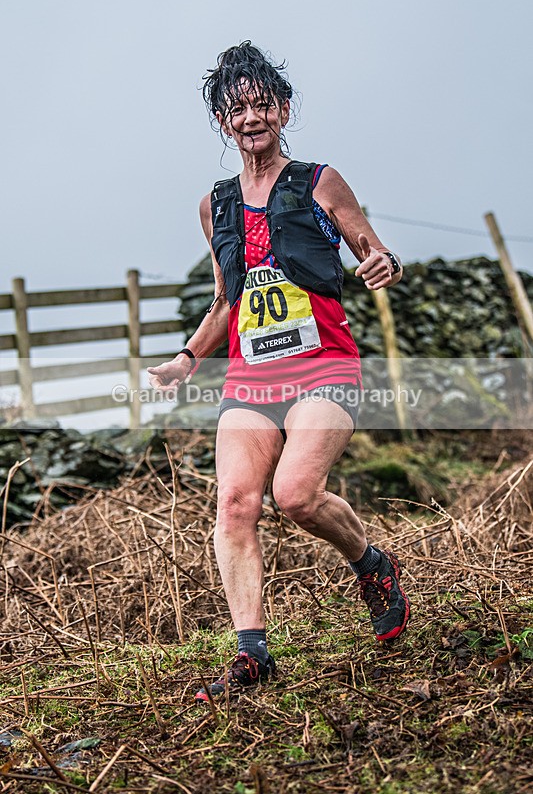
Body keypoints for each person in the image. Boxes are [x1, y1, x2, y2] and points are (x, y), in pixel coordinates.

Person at [148, 41, 410, 702]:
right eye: (235, 109)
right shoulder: (215, 204)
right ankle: (252, 655)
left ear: (282, 109)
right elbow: (226, 297)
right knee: (234, 504)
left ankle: (371, 564)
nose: (248, 118)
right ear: (221, 122)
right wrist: (186, 358)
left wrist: (382, 264)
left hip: (322, 364)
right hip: (249, 377)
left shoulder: (319, 180)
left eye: (260, 104)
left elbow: (371, 249)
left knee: (294, 495)